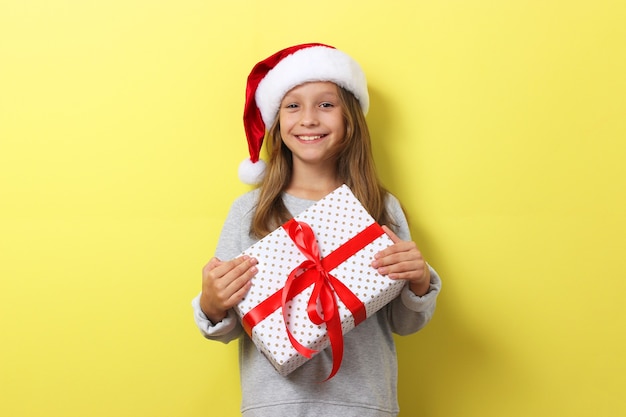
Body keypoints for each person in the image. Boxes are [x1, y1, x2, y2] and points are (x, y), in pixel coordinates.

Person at [192, 43, 442, 417]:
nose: (308, 119)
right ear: (277, 122)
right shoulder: (249, 212)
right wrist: (211, 305)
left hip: (364, 404)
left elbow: (404, 324)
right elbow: (232, 328)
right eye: (293, 105)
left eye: (326, 104)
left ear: (350, 119)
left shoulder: (380, 208)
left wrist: (420, 281)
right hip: (274, 405)